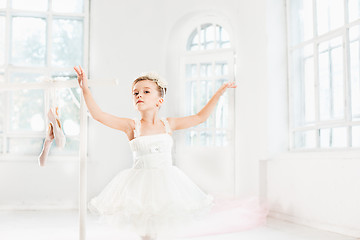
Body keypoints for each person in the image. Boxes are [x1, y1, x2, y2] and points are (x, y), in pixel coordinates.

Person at [73, 65, 267, 240]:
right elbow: (99, 115)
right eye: (135, 93)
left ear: (159, 100)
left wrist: (219, 93)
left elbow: (200, 117)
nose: (139, 95)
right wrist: (84, 89)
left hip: (167, 182)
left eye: (146, 91)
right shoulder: (131, 126)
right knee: (146, 231)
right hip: (140, 185)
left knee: (162, 229)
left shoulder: (169, 124)